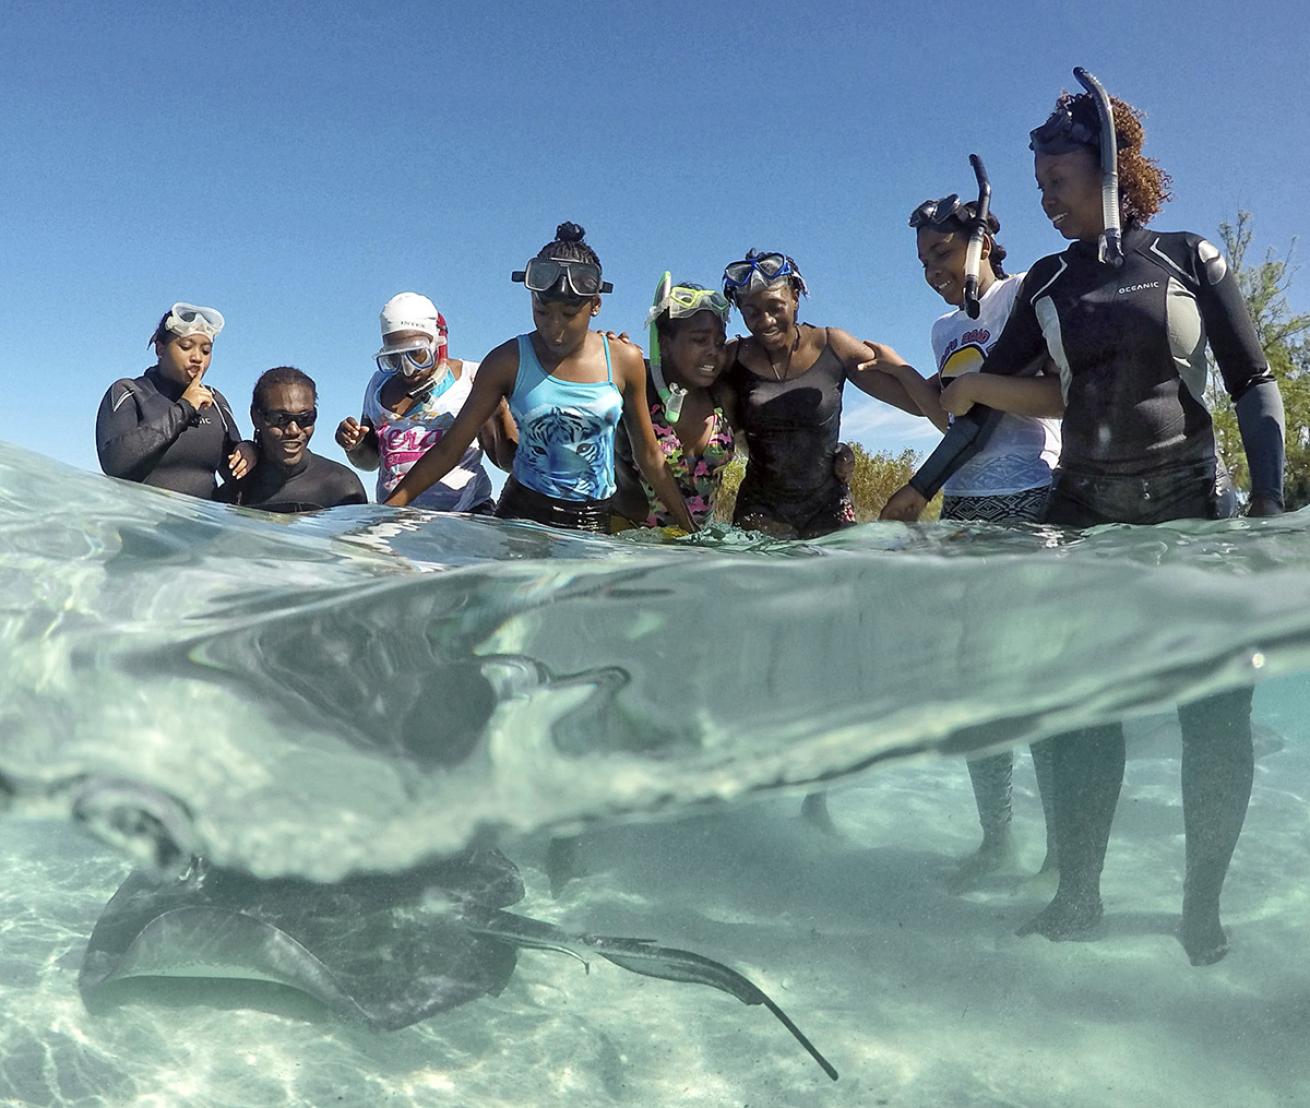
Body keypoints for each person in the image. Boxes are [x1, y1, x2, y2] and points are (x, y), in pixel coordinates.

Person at [881, 82, 1286, 965]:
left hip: (1193, 508)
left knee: (1213, 719)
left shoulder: (1191, 255)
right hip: (1086, 513)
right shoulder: (1052, 282)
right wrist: (919, 488)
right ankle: (1079, 895)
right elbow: (985, 408)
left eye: (1057, 178)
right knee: (1077, 713)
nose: (1047, 199)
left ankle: (1199, 904)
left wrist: (1265, 506)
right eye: (1037, 186)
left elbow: (1255, 383)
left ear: (1110, 168)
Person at [901, 193, 1063, 886]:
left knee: (1038, 692)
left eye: (942, 252)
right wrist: (918, 385)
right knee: (975, 697)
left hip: (1033, 502)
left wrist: (982, 391)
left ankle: (1065, 850)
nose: (934, 270)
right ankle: (998, 840)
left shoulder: (1027, 292)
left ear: (984, 238)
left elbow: (1063, 394)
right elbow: (957, 426)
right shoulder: (943, 328)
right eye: (923, 261)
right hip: (963, 512)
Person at [385, 223, 694, 535]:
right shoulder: (507, 361)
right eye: (542, 311)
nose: (554, 327)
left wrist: (691, 530)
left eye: (569, 315)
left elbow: (650, 456)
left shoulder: (624, 361)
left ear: (595, 305)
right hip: (520, 516)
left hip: (593, 521)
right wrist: (385, 513)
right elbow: (449, 449)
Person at [715, 250, 939, 539]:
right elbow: (684, 391)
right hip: (760, 512)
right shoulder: (733, 358)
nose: (765, 321)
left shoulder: (834, 345)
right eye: (752, 312)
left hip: (829, 509)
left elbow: (917, 405)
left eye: (775, 307)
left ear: (795, 297)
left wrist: (901, 367)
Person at [335, 293, 516, 512]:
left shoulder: (472, 379)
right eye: (394, 358)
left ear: (438, 342)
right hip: (397, 518)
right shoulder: (378, 386)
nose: (407, 369)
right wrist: (355, 447)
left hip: (465, 515)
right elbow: (371, 462)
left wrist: (501, 413)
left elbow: (506, 463)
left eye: (416, 354)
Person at [611, 275, 735, 530]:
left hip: (695, 547)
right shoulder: (634, 385)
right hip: (625, 540)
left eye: (719, 342)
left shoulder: (724, 396)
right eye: (700, 340)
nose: (713, 350)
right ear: (664, 344)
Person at [96, 303, 255, 498]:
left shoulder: (215, 401)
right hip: (141, 523)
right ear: (160, 349)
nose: (197, 358)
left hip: (201, 525)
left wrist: (250, 450)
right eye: (186, 347)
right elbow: (115, 462)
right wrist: (184, 408)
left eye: (206, 351)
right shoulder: (129, 392)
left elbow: (235, 475)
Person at [220, 367, 366, 513]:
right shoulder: (236, 489)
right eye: (280, 419)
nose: (294, 430)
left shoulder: (342, 488)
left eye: (305, 418)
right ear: (255, 417)